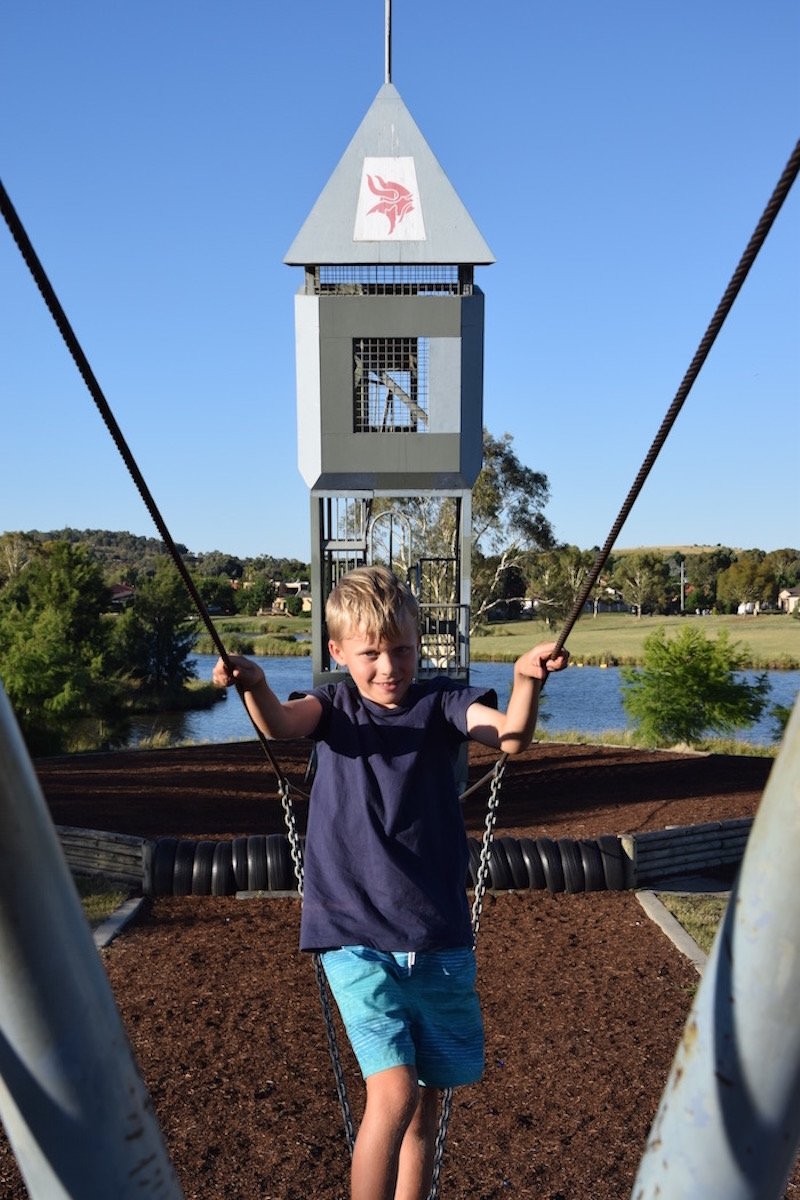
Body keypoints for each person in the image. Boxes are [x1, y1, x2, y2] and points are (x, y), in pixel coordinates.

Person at [213, 566, 568, 1200]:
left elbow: (509, 736)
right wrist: (258, 684)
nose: (388, 666)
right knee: (395, 1090)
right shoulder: (333, 708)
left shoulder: (442, 703)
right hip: (355, 936)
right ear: (338, 652)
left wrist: (523, 681)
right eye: (370, 652)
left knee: (426, 1107)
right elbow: (279, 726)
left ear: (417, 643)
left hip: (437, 935)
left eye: (401, 649)